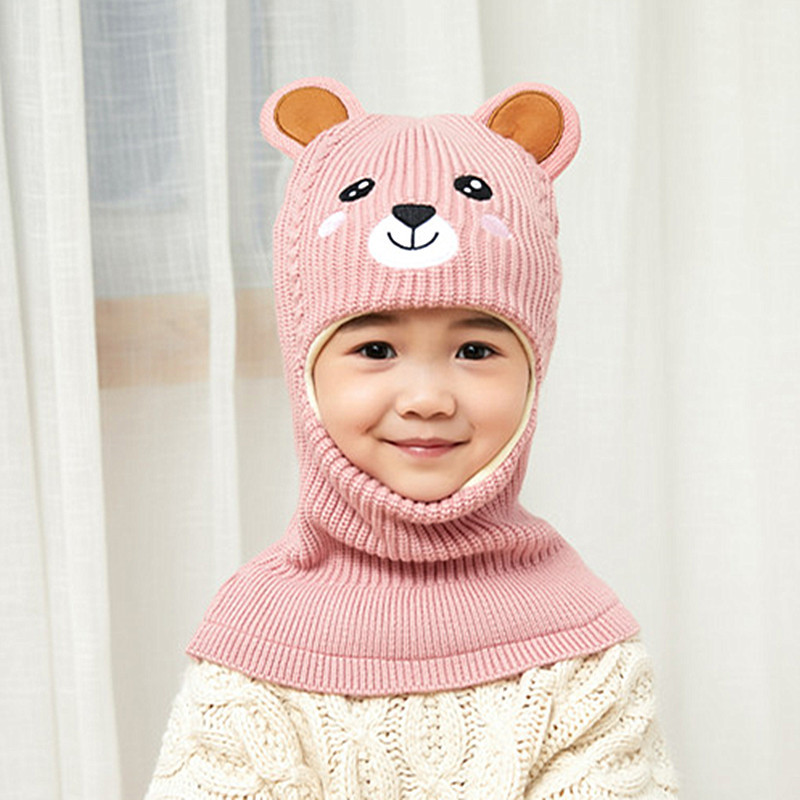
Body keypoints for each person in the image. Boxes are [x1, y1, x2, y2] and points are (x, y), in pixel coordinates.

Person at [144, 78, 680, 799]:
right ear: (304, 367)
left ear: (536, 366)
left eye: (476, 350)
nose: (427, 399)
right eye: (374, 349)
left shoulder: (584, 647)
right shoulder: (254, 645)